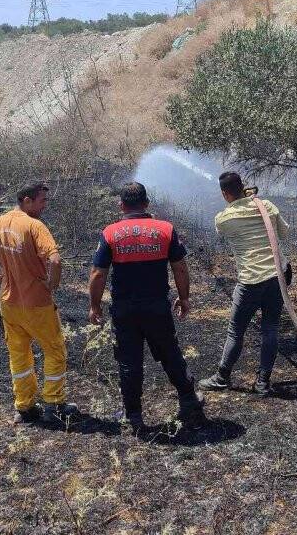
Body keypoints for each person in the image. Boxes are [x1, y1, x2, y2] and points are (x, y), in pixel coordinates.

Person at [88, 182, 204, 433]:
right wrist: (184, 298)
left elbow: (98, 273)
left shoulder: (110, 233)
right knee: (170, 354)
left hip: (125, 309)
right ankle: (188, 401)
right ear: (147, 204)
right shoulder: (165, 229)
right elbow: (180, 267)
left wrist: (94, 305)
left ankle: (134, 417)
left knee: (129, 362)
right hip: (157, 307)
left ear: (121, 206)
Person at [0, 182, 79, 425]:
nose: (44, 206)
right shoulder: (34, 226)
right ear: (26, 201)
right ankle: (53, 403)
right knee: (55, 350)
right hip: (37, 304)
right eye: (42, 201)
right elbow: (55, 260)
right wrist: (52, 285)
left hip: (8, 303)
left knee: (19, 354)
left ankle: (25, 407)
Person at [198, 172, 291, 397]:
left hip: (251, 281)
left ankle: (222, 377)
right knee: (270, 328)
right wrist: (255, 201)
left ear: (224, 193)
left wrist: (242, 202)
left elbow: (222, 232)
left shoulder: (224, 218)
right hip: (278, 275)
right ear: (244, 187)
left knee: (235, 331)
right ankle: (262, 383)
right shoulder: (266, 205)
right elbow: (284, 233)